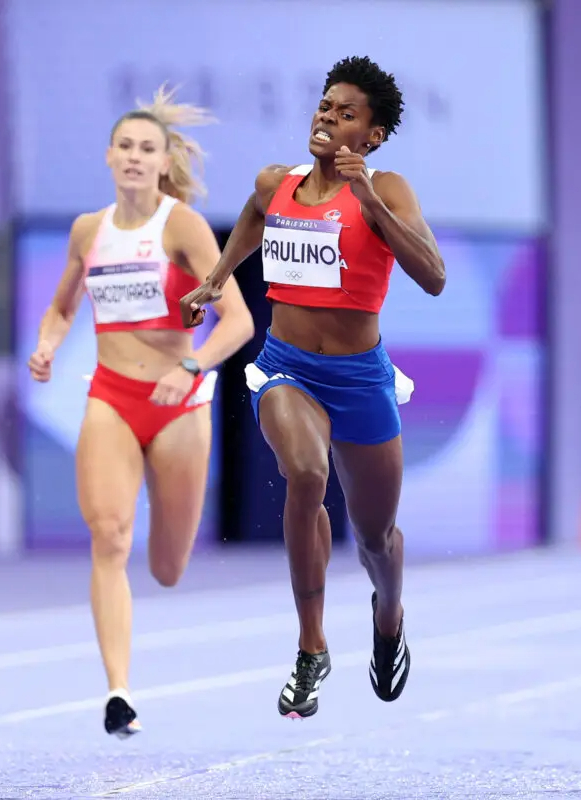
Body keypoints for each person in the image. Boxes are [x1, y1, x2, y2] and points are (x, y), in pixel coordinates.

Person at [181, 56, 446, 719]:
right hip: (287, 367)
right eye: (325, 105)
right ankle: (311, 646)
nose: (328, 117)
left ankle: (388, 618)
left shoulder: (389, 189)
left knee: (376, 538)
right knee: (305, 472)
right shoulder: (279, 182)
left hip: (360, 379)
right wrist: (215, 279)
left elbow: (434, 276)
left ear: (373, 135)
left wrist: (373, 204)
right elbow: (250, 216)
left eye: (346, 112)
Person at [27, 86, 254, 738]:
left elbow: (236, 322)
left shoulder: (180, 226)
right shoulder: (87, 231)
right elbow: (64, 306)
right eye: (124, 146)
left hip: (180, 404)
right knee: (109, 535)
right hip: (112, 397)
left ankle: (166, 562)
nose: (134, 157)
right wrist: (47, 343)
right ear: (108, 157)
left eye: (146, 148)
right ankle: (118, 692)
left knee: (167, 566)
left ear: (163, 162)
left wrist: (190, 365)